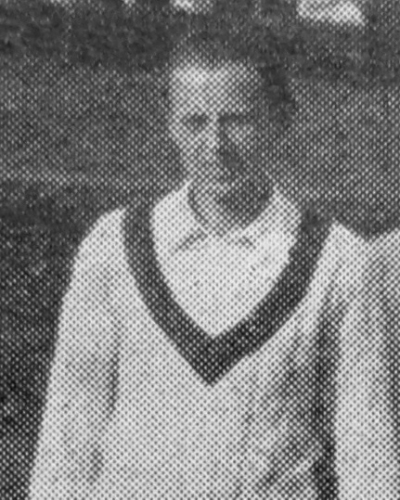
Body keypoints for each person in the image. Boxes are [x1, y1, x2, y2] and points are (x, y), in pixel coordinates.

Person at [27, 15, 383, 500]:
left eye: (237, 121)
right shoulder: (112, 247)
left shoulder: (342, 262)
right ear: (170, 125)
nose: (215, 145)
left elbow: (369, 457)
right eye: (195, 122)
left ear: (279, 121)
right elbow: (68, 441)